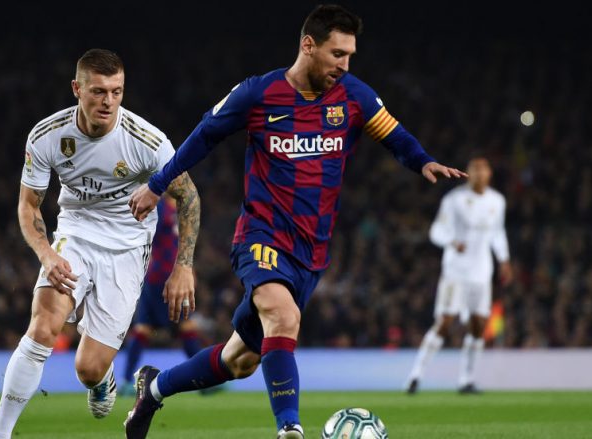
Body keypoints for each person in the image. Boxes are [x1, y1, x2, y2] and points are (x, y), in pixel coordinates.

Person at [125, 5, 466, 438]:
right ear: (308, 45)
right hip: (261, 235)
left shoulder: (354, 97)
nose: (345, 65)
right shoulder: (258, 93)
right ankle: (290, 429)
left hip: (311, 252)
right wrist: (158, 185)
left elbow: (394, 135)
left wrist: (423, 161)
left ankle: (153, 388)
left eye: (350, 56)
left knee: (239, 361)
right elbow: (204, 136)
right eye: (337, 54)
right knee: (282, 316)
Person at [0, 48, 200, 439]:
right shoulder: (48, 136)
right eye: (99, 91)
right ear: (77, 89)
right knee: (42, 328)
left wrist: (184, 265)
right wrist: (46, 254)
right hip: (76, 235)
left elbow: (188, 196)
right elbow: (28, 205)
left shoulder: (147, 141)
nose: (108, 101)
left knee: (87, 369)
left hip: (127, 250)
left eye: (116, 92)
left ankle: (101, 379)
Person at [405, 156, 512, 395]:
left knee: (479, 326)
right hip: (456, 271)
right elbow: (436, 230)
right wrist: (452, 241)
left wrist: (504, 259)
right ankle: (415, 376)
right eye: (475, 170)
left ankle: (466, 380)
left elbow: (497, 233)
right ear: (468, 174)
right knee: (445, 322)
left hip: (482, 273)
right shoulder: (454, 200)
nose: (479, 174)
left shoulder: (497, 201)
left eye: (483, 170)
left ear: (489, 174)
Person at [119, 196, 211, 396]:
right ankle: (204, 379)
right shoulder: (158, 206)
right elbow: (144, 235)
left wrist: (188, 269)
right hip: (163, 276)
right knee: (184, 325)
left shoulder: (175, 205)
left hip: (166, 274)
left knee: (145, 328)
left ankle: (126, 381)